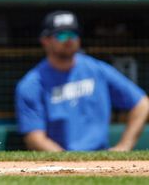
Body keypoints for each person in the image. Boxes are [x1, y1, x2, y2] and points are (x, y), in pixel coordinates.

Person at [15, 11, 149, 151]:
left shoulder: (97, 70)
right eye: (62, 35)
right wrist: (69, 162)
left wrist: (124, 146)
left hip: (100, 158)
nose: (69, 40)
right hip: (60, 161)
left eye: (73, 34)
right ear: (45, 40)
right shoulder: (31, 84)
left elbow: (142, 104)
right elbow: (35, 138)